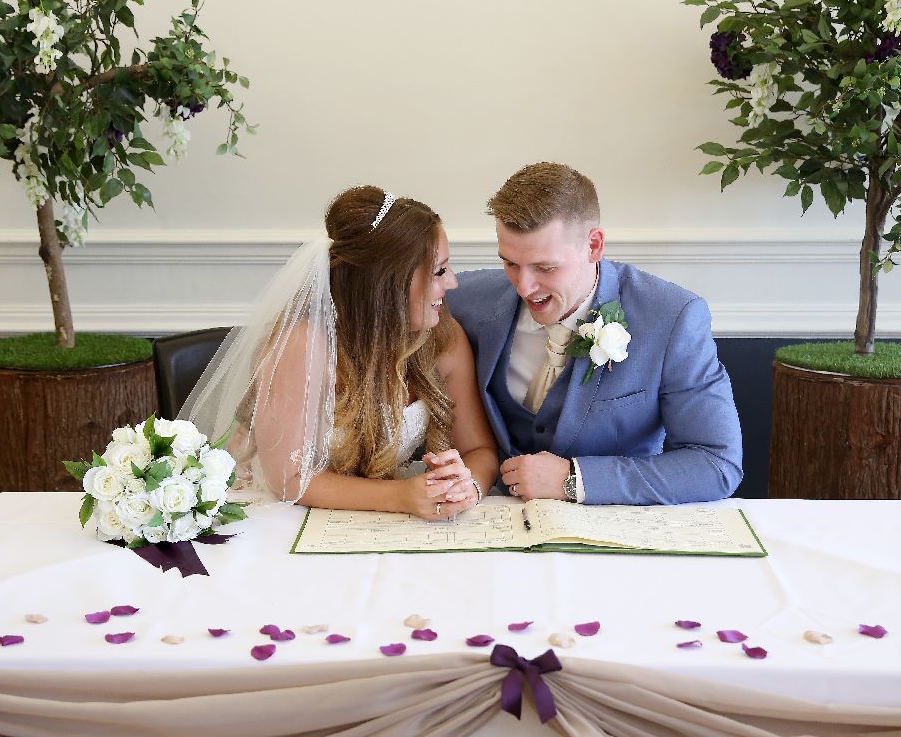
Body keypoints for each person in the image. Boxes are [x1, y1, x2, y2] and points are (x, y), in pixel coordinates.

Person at [181, 186, 497, 520]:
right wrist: (402, 495)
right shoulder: (303, 344)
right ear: (386, 284)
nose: (452, 284)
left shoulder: (442, 338)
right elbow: (288, 482)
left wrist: (466, 486)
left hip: (373, 520)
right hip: (281, 515)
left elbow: (480, 450)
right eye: (437, 271)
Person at [445, 162, 743, 505]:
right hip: (485, 519)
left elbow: (716, 463)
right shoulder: (462, 301)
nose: (524, 287)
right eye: (510, 263)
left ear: (594, 246)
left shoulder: (672, 318)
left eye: (546, 267)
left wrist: (575, 480)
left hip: (611, 525)